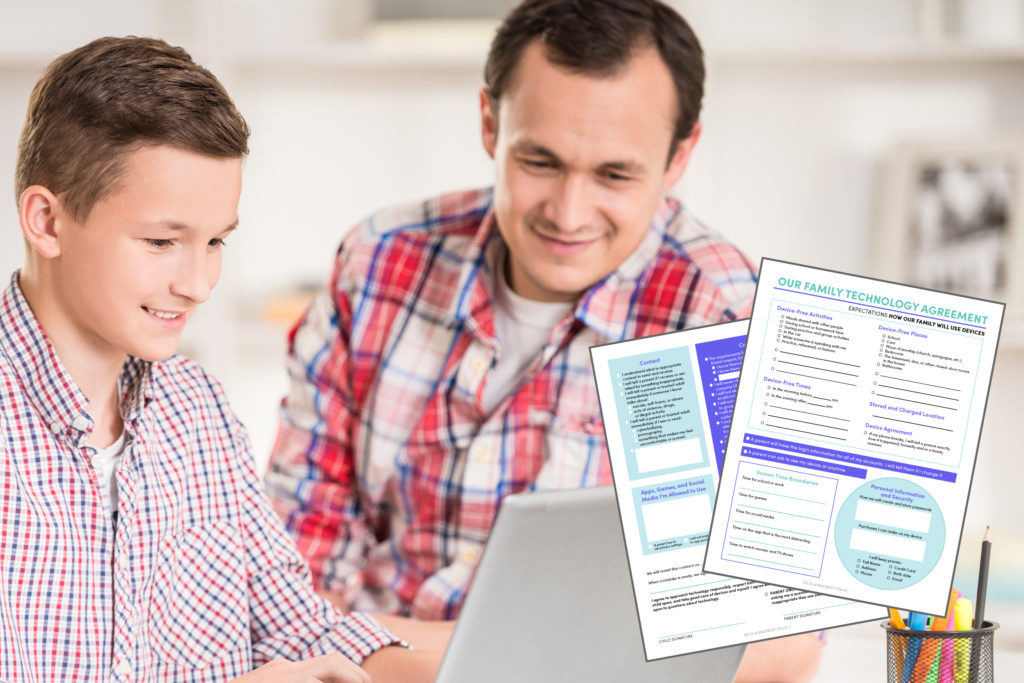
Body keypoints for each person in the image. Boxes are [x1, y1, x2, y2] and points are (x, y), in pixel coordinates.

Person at [265, 1, 821, 680]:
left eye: (614, 174)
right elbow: (292, 567)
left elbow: (787, 643)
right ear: (490, 124)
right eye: (540, 161)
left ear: (680, 156)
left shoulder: (731, 318)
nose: (568, 213)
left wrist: (387, 648)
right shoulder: (378, 259)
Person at [0, 36, 439, 682]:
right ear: (46, 221)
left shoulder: (196, 409)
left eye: (214, 241)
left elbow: (304, 631)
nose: (198, 283)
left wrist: (520, 657)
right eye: (161, 241)